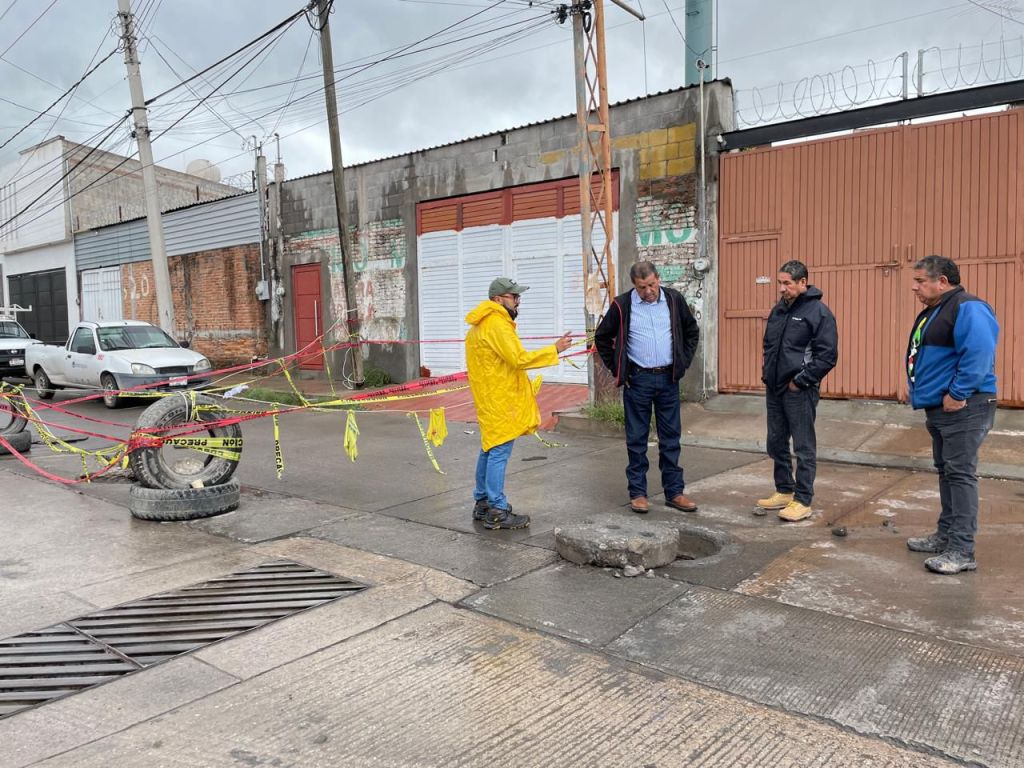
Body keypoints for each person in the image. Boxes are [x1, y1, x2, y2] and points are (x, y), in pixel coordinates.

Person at [904, 255, 999, 575]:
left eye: (920, 281)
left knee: (959, 474)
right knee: (947, 472)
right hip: (942, 408)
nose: (914, 287)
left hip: (965, 406)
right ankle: (946, 536)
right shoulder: (935, 311)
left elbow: (980, 353)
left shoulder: (968, 307)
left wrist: (958, 393)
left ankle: (962, 550)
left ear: (942, 281)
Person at [465, 277, 572, 530]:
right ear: (498, 299)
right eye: (514, 296)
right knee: (498, 450)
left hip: (490, 396)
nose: (518, 301)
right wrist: (554, 349)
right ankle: (497, 510)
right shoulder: (496, 324)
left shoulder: (481, 324)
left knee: (489, 448)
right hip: (500, 398)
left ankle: (482, 502)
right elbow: (519, 358)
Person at [594, 261, 700, 514]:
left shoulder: (674, 300)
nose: (648, 291)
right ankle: (638, 493)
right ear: (634, 285)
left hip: (668, 379)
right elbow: (602, 338)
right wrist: (619, 370)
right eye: (642, 287)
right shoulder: (622, 305)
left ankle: (674, 492)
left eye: (652, 285)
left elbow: (691, 331)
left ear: (658, 279)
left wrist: (682, 363)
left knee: (671, 438)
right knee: (637, 439)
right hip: (638, 381)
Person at [756, 260, 838, 522]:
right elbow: (770, 346)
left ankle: (802, 499)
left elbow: (827, 356)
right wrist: (767, 375)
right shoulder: (779, 311)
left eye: (787, 283)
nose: (781, 289)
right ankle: (784, 489)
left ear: (803, 283)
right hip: (775, 388)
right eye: (780, 283)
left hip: (799, 391)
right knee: (776, 442)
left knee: (803, 447)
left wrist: (801, 381)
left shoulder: (818, 313)